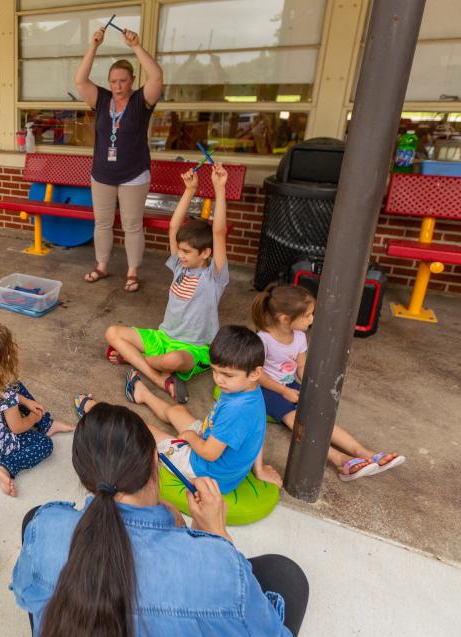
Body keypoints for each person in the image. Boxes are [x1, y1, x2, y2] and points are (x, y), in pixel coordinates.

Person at [11, 402, 307, 637]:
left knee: (32, 520)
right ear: (155, 460)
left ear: (84, 475)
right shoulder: (218, 566)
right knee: (285, 575)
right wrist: (218, 538)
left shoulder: (45, 528)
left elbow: (28, 595)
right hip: (210, 562)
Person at [252, 285, 405, 481]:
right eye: (307, 315)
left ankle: (364, 452)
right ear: (285, 318)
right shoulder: (263, 339)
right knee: (297, 419)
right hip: (266, 390)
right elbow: (257, 374)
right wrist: (283, 391)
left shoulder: (299, 336)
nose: (312, 319)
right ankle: (339, 459)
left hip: (289, 386)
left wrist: (309, 387)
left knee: (317, 415)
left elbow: (300, 365)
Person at [104, 166, 229, 404]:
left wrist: (219, 188)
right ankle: (159, 379)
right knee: (112, 332)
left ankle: (133, 359)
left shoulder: (214, 277)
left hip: (193, 349)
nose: (179, 255)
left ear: (206, 253)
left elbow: (220, 232)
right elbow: (174, 227)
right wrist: (189, 190)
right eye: (179, 250)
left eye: (186, 251)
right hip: (163, 338)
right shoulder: (180, 267)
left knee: (175, 361)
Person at [119, 324, 283, 490]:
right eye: (215, 371)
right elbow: (257, 433)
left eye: (227, 375)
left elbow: (210, 454)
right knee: (177, 411)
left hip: (206, 472)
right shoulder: (250, 388)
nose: (218, 379)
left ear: (255, 373)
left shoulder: (236, 411)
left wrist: (190, 437)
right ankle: (143, 395)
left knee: (145, 430)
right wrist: (260, 469)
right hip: (211, 441)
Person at [75, 25, 163, 292]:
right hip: (101, 174)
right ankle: (102, 266)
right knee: (102, 222)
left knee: (132, 225)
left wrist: (136, 45)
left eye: (122, 81)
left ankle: (132, 271)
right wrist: (94, 46)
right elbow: (80, 81)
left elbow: (157, 77)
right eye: (113, 81)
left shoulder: (140, 101)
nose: (117, 86)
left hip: (134, 174)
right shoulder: (101, 99)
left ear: (132, 80)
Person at [0, 322, 74, 497]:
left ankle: (48, 424)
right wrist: (33, 418)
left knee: (16, 386)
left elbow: (4, 396)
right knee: (44, 444)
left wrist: (25, 401)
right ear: (6, 361)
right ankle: (4, 466)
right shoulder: (6, 396)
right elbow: (17, 428)